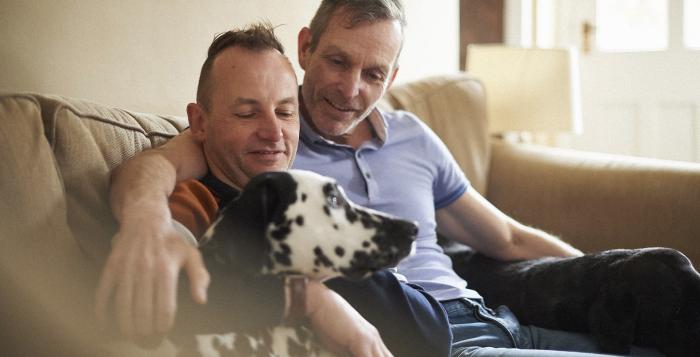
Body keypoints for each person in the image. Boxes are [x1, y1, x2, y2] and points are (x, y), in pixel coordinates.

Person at [97, 1, 662, 356]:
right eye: (338, 63)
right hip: (439, 341)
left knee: (659, 290)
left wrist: (591, 272)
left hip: (493, 312)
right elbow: (156, 171)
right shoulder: (265, 162)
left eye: (373, 74)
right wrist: (146, 222)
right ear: (306, 49)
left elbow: (509, 238)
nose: (350, 91)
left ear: (393, 76)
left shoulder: (409, 134)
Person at [95, 20, 451, 357]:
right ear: (200, 123)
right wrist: (308, 299)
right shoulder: (195, 201)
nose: (273, 132)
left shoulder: (310, 205)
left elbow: (433, 333)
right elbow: (162, 301)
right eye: (248, 114)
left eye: (285, 112)